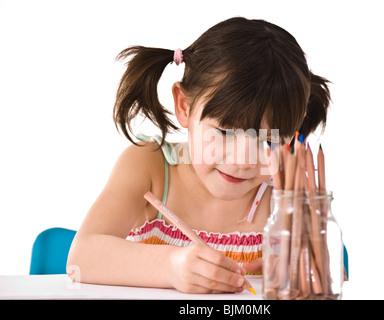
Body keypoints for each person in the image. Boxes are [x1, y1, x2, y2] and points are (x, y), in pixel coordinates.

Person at [67, 16, 331, 294]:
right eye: (225, 132)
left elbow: (328, 281)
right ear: (184, 106)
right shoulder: (150, 166)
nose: (243, 160)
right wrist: (171, 267)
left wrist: (304, 268)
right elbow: (81, 258)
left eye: (268, 139)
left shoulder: (286, 187)